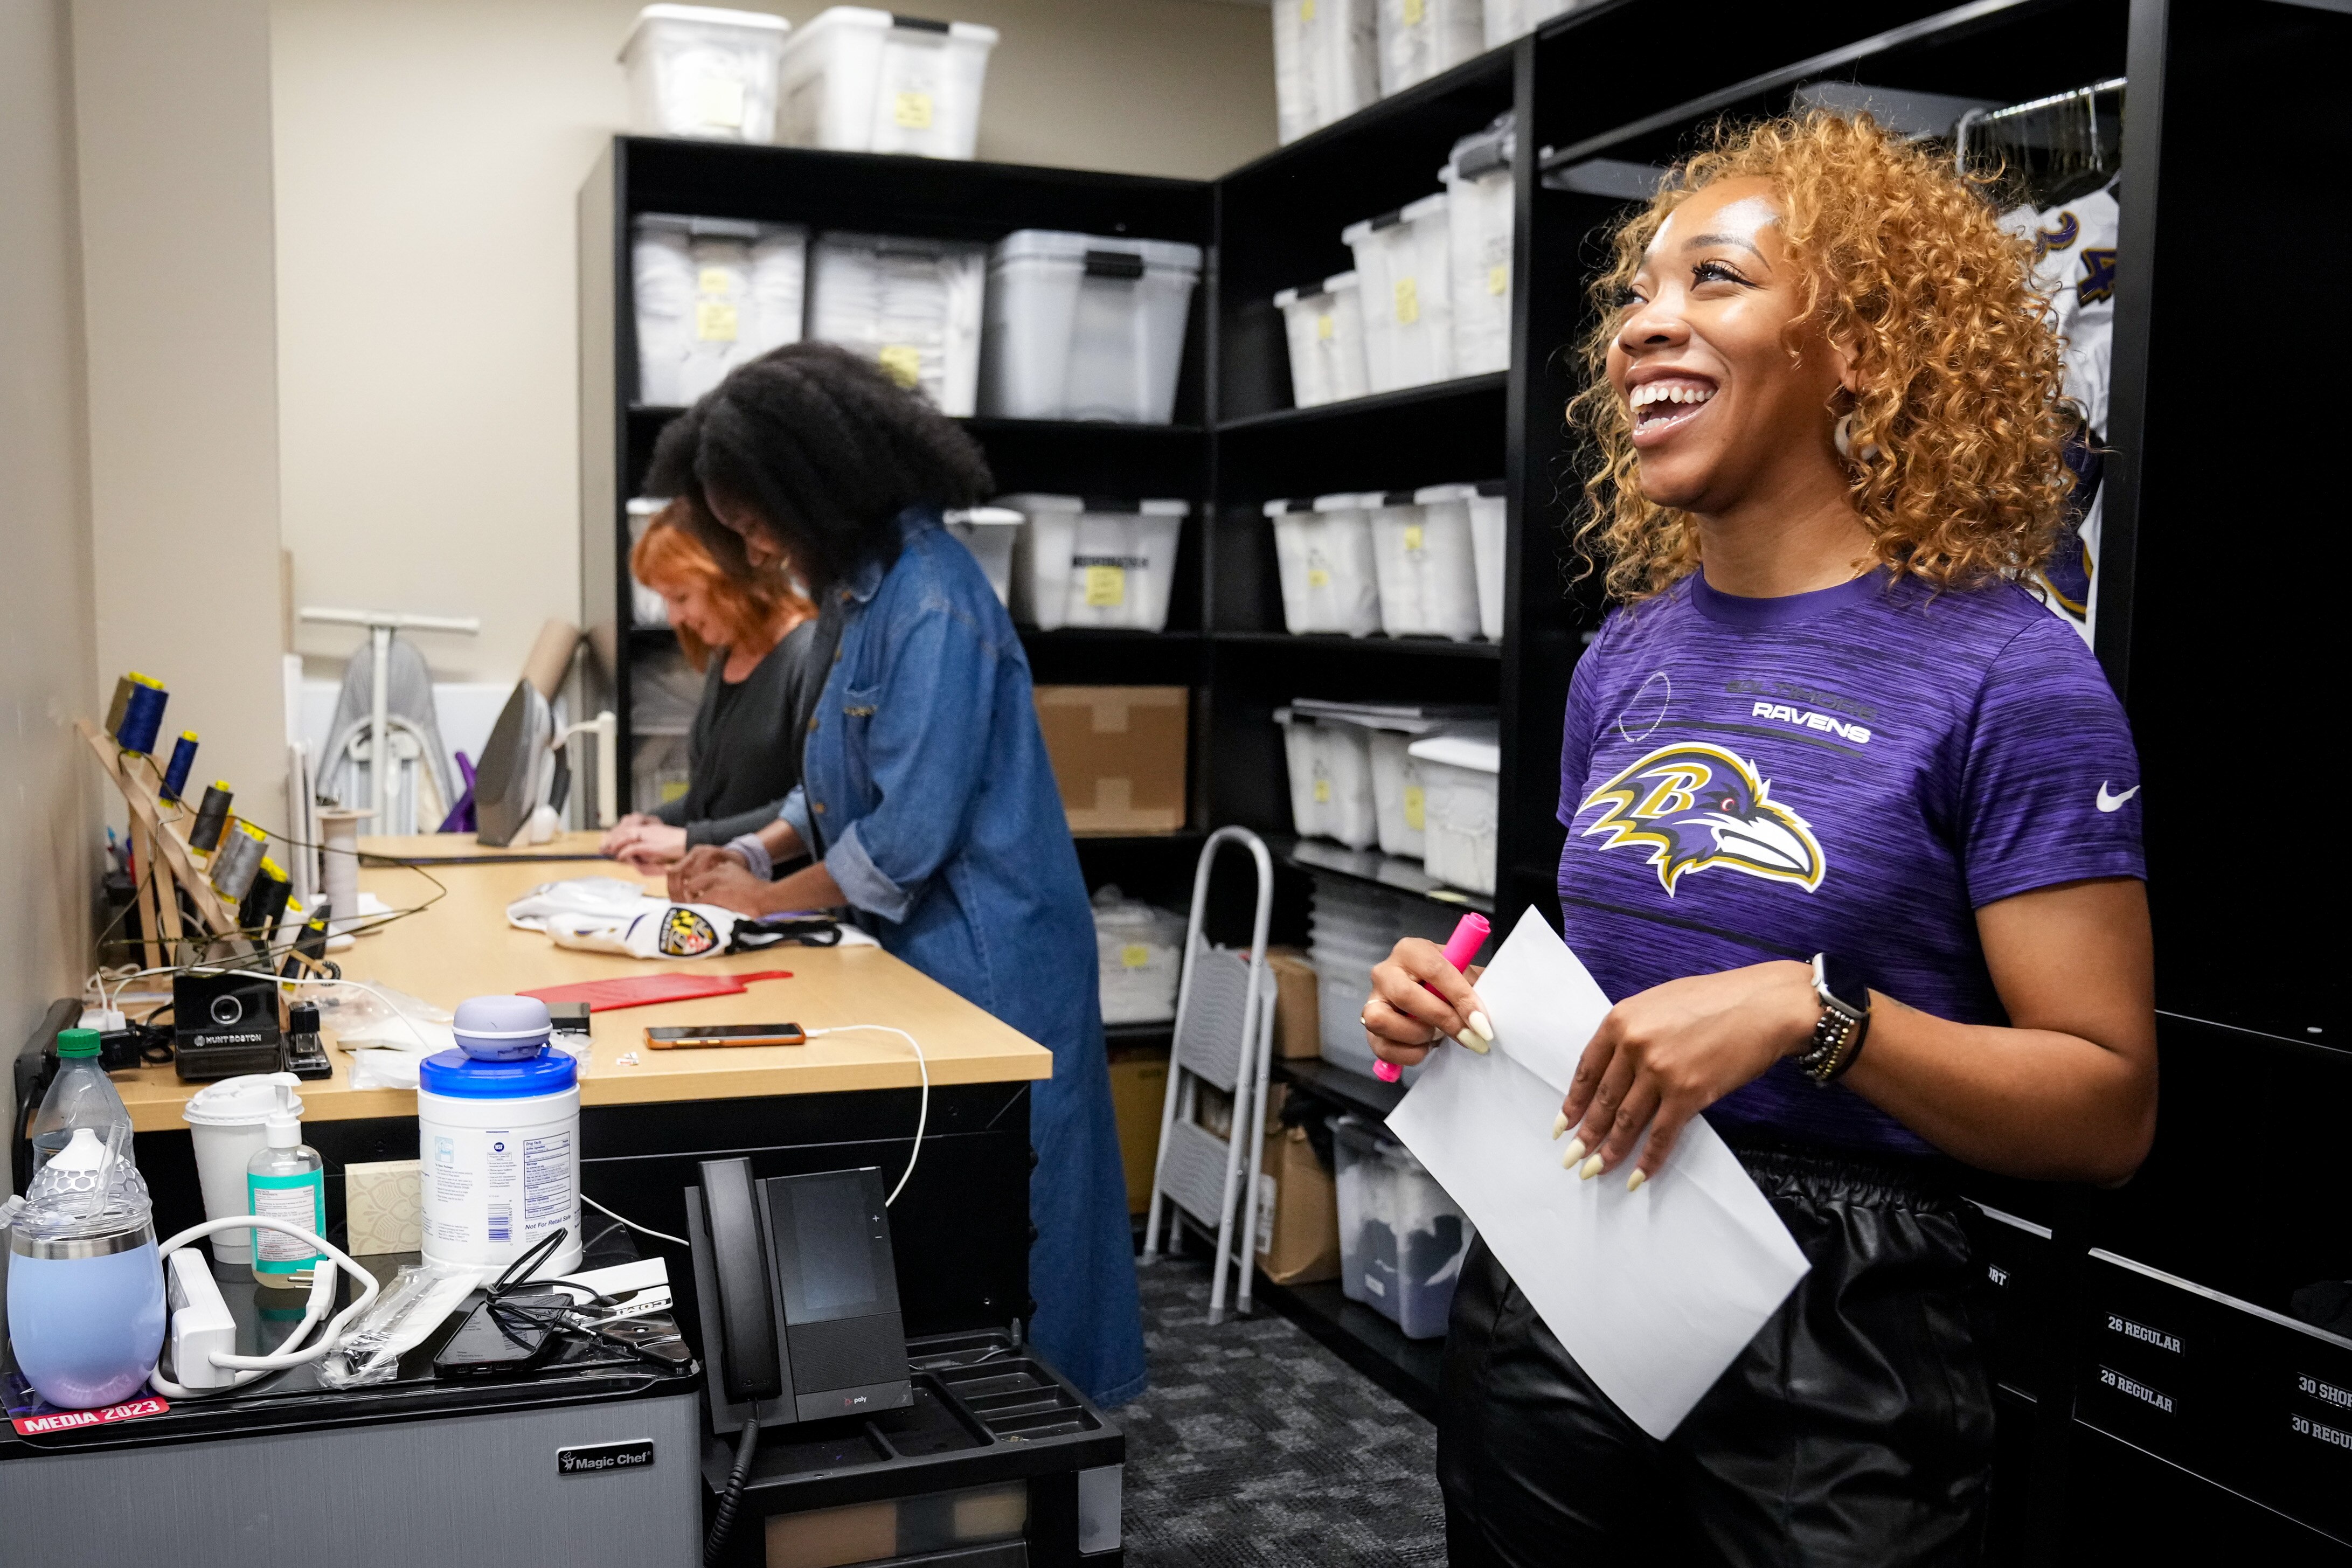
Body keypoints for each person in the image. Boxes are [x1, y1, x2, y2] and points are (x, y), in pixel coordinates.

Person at [1361, 113, 2155, 1565]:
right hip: (1565, 1252)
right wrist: (1452, 998)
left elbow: (2106, 1109)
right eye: (1635, 297)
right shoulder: (1623, 658)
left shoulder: (2011, 673)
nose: (1643, 328)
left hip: (1840, 1324)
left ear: (1854, 344)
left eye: (1713, 280)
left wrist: (1818, 1015)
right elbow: (1601, 965)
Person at [647, 342, 1148, 1408]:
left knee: (1032, 1210)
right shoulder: (853, 593)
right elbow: (831, 787)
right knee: (954, 1211)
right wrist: (748, 854)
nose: (760, 549)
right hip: (927, 950)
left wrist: (765, 901)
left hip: (994, 954)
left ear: (813, 487)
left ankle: (1058, 1425)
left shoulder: (931, 603)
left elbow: (904, 839)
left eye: (757, 524)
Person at [601, 507, 819, 872]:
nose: (673, 618)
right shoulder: (730, 654)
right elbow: (716, 801)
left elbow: (813, 808)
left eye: (681, 597)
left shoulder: (808, 654)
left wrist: (689, 840)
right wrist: (652, 825)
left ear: (728, 580)